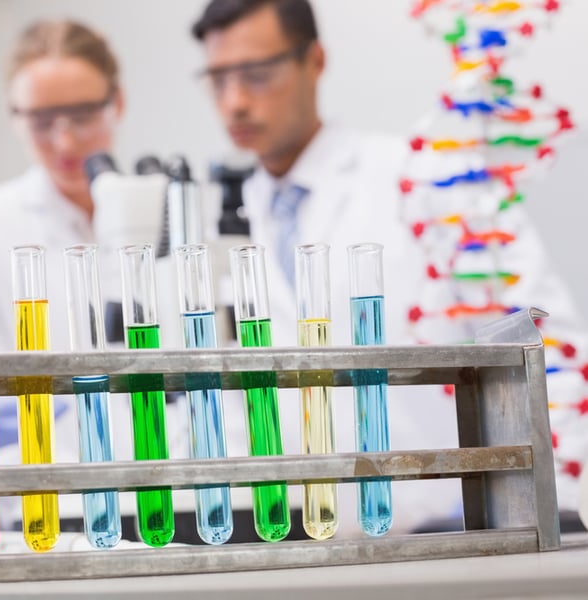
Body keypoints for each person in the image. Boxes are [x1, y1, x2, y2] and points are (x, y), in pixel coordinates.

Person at [192, 0, 588, 533]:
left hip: (461, 534)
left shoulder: (424, 181)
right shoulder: (226, 222)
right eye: (217, 80)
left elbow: (546, 348)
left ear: (315, 60)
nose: (234, 102)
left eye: (256, 75)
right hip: (313, 540)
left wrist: (564, 518)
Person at [0, 19, 195, 542]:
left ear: (117, 102)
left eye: (83, 115)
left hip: (176, 490)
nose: (65, 139)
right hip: (44, 504)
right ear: (14, 118)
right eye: (41, 120)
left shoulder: (171, 209)